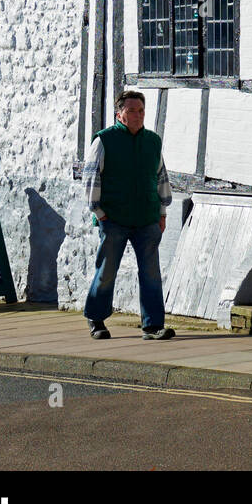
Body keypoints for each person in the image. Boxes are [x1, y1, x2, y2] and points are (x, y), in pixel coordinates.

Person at [83, 90, 175, 340]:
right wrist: (99, 213)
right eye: (132, 110)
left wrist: (162, 211)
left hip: (147, 219)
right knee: (107, 270)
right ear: (119, 114)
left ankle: (153, 325)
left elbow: (160, 177)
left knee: (151, 273)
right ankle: (96, 319)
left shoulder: (153, 141)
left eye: (141, 111)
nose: (138, 115)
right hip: (113, 218)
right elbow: (91, 176)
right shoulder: (104, 141)